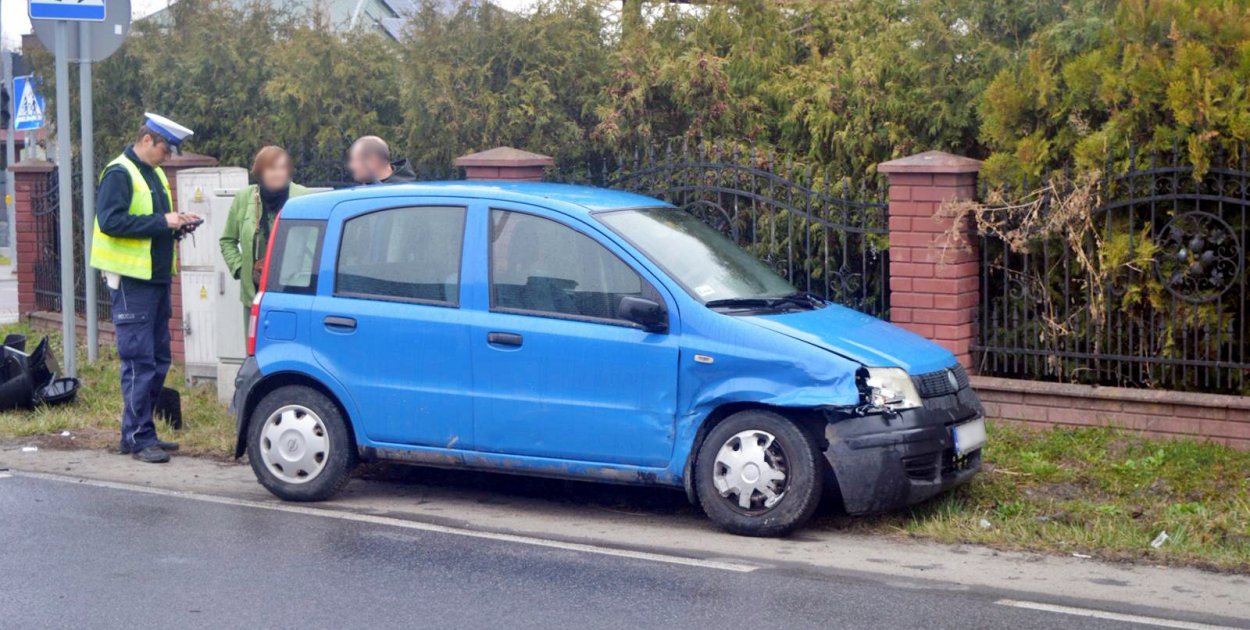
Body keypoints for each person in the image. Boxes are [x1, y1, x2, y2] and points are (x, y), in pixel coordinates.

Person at [91, 113, 200, 464]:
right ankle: (139, 437)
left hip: (155, 279)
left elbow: (151, 225)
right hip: (132, 282)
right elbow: (110, 221)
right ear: (148, 139)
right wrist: (162, 221)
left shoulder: (153, 173)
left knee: (159, 359)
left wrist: (177, 225)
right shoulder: (120, 172)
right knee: (139, 361)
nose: (168, 157)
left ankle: (138, 431)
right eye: (166, 150)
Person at [219, 146, 310, 326]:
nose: (278, 174)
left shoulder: (302, 197)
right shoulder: (244, 198)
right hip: (255, 294)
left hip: (293, 293)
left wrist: (305, 276)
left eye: (282, 168)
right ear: (260, 172)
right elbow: (227, 240)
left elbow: (314, 243)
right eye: (272, 168)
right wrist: (241, 269)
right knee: (255, 342)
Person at [347, 135, 417, 184]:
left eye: (355, 160)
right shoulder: (370, 190)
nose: (351, 166)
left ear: (372, 161)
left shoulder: (399, 195)